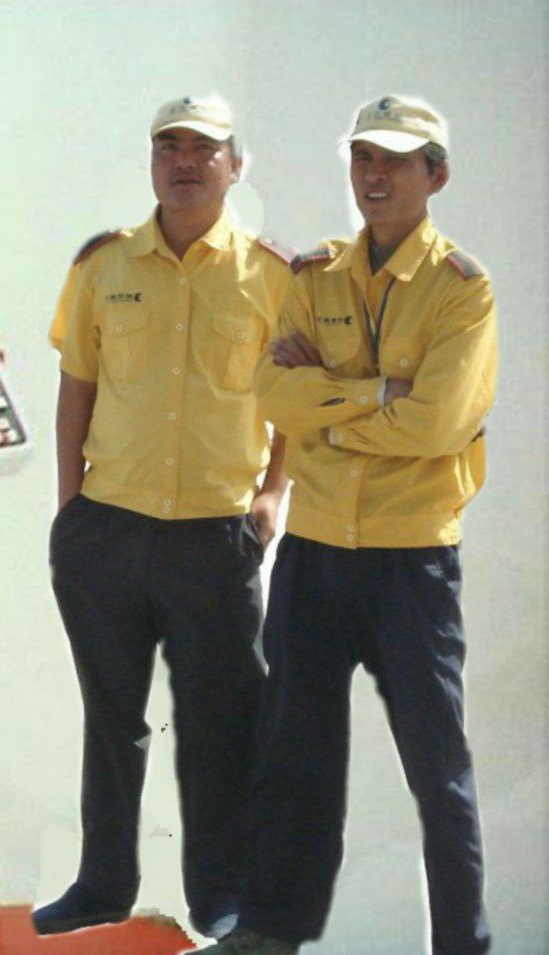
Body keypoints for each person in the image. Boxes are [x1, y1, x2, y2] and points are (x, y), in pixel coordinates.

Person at [207, 96, 496, 955]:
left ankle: (463, 942)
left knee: (438, 770)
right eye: (364, 157)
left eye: (396, 160)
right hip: (317, 553)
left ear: (435, 176)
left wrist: (328, 411)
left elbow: (437, 424)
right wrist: (377, 395)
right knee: (292, 753)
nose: (375, 175)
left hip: (414, 561)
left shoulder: (462, 291)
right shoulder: (316, 276)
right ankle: (271, 928)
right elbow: (274, 394)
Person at [35, 95, 292, 940]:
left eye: (203, 148)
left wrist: (274, 493)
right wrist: (70, 509)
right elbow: (77, 386)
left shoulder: (273, 277)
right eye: (168, 146)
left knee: (222, 726)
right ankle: (103, 884)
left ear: (235, 165)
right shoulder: (103, 266)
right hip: (107, 530)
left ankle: (220, 894)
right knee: (112, 719)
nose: (184, 161)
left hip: (217, 539)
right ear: (152, 161)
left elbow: (297, 401)